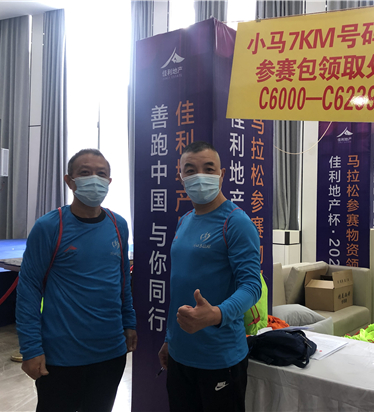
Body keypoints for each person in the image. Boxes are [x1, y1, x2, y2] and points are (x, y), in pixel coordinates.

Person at [16, 149, 137, 412]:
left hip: (110, 353)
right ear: (69, 181)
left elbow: (122, 283)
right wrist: (31, 349)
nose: (94, 179)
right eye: (85, 172)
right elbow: (29, 290)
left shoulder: (119, 225)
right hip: (61, 357)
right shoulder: (50, 227)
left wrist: (129, 323)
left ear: (109, 181)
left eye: (101, 174)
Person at [158, 141, 261, 411]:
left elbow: (252, 286)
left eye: (208, 168)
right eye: (190, 170)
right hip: (180, 355)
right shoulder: (184, 221)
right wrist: (170, 339)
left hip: (220, 358)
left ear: (221, 174)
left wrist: (216, 313)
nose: (199, 176)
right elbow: (179, 286)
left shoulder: (236, 222)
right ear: (180, 176)